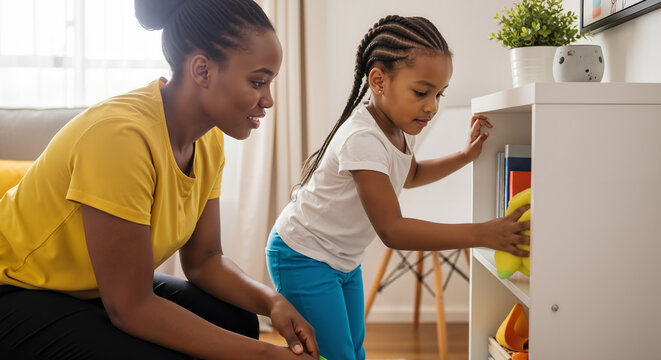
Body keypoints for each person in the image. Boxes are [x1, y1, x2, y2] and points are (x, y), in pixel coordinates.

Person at [0, 0, 319, 359]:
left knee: (237, 321)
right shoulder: (121, 138)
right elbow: (130, 308)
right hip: (16, 290)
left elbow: (204, 260)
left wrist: (272, 302)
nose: (269, 100)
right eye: (258, 81)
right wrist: (264, 354)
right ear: (202, 70)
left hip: (91, 290)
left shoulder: (209, 140)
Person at [265, 15, 531, 360]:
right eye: (422, 92)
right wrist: (481, 234)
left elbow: (411, 173)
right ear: (379, 80)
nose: (432, 106)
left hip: (341, 259)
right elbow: (393, 230)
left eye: (438, 94)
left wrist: (465, 156)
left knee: (353, 352)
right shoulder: (363, 138)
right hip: (302, 255)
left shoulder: (394, 129)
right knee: (336, 355)